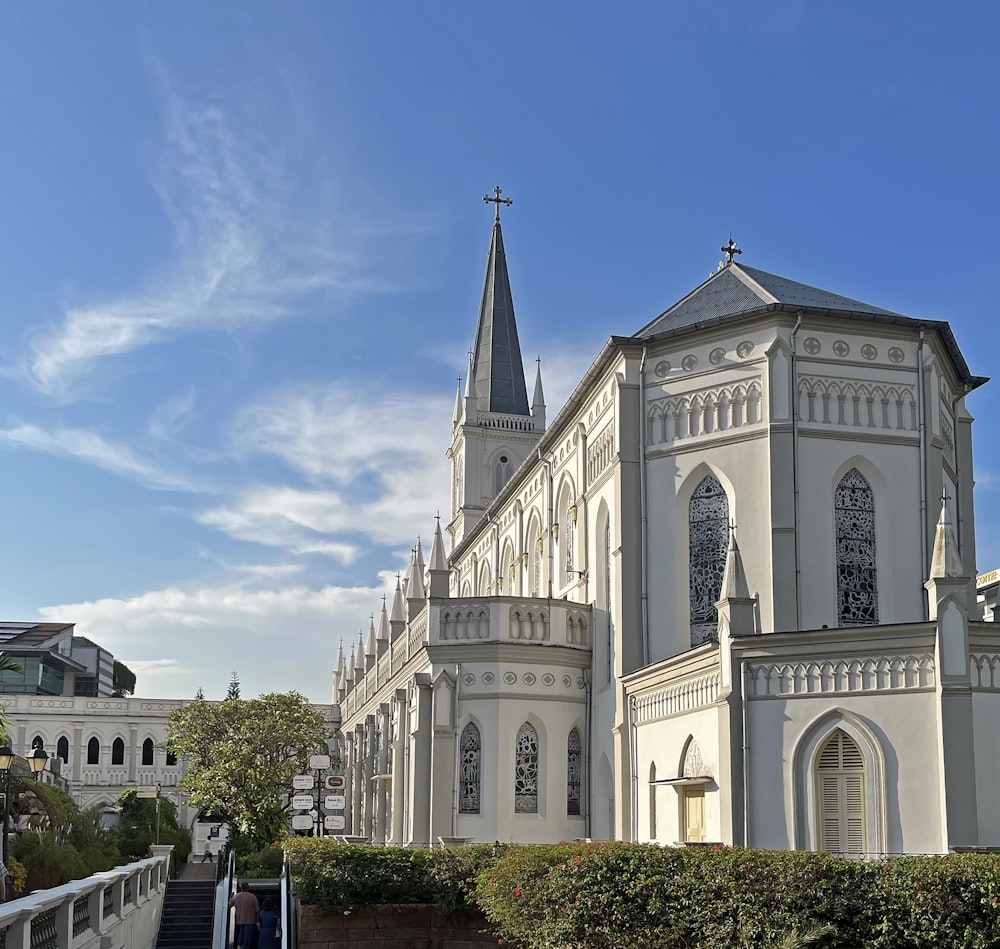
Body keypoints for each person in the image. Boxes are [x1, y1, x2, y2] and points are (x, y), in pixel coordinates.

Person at [229, 881, 260, 949]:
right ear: (248, 888)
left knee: (241, 934)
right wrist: (258, 922)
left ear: (241, 888)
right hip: (250, 921)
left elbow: (229, 905)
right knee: (247, 938)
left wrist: (231, 897)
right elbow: (257, 910)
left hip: (239, 920)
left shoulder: (236, 896)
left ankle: (239, 946)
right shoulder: (252, 897)